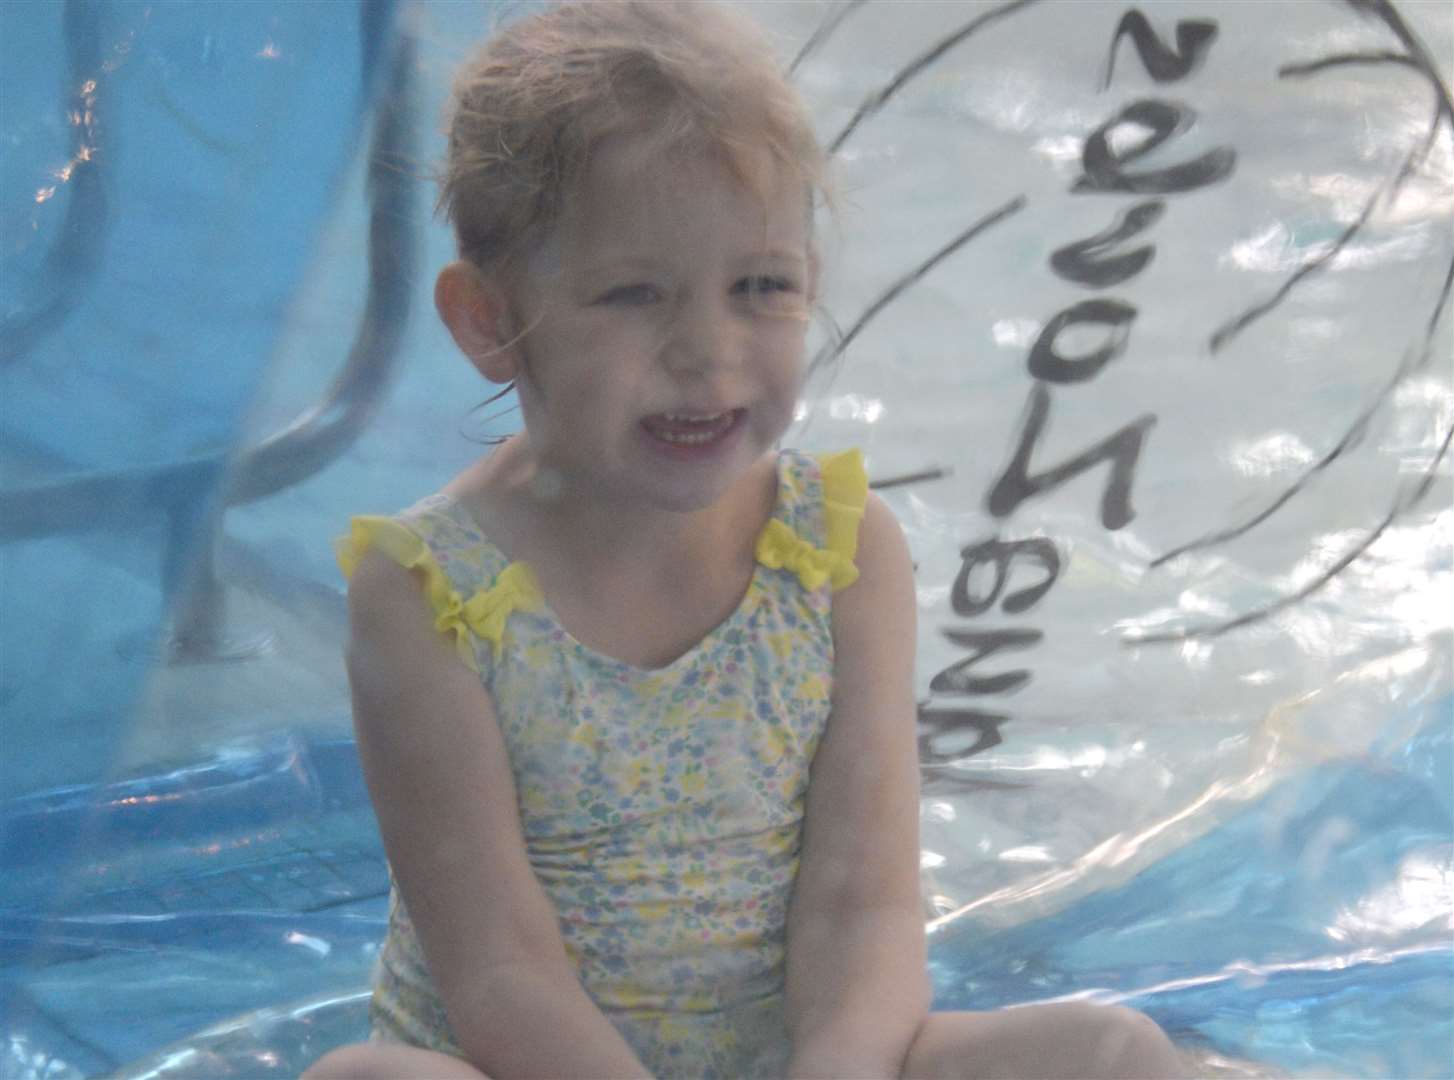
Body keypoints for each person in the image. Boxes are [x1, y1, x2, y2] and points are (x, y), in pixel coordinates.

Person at [305, 3, 1188, 1077]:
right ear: (489, 319)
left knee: (1110, 1052)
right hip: (525, 1067)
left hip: (797, 1060)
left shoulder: (837, 548)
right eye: (634, 295)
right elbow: (498, 968)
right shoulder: (427, 593)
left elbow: (863, 903)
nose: (706, 351)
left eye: (759, 287)